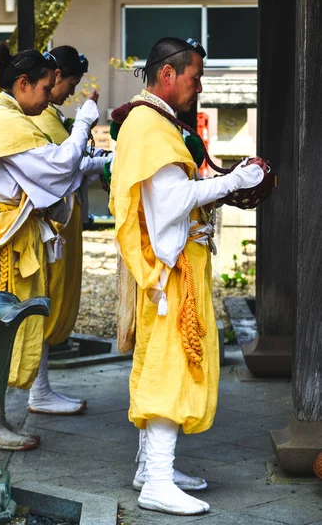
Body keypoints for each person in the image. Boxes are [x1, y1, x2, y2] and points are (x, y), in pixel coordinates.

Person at [109, 37, 266, 516]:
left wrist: (218, 185)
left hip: (170, 269)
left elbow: (174, 194)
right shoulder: (150, 126)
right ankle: (156, 481)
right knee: (168, 370)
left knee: (160, 363)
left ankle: (150, 467)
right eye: (195, 76)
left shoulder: (150, 121)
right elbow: (171, 202)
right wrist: (235, 181)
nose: (199, 85)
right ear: (169, 74)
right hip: (169, 274)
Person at [0, 43, 109, 451]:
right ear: (22, 84)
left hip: (4, 242)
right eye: (45, 88)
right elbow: (59, 168)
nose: (48, 96)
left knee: (8, 328)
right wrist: (84, 123)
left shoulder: (5, 118)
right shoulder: (6, 124)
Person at [28, 46, 106, 415]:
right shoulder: (38, 119)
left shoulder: (50, 116)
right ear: (54, 77)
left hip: (60, 221)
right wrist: (84, 124)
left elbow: (71, 163)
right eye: (69, 83)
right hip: (48, 225)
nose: (70, 92)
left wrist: (100, 162)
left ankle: (40, 389)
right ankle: (37, 390)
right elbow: (61, 167)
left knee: (51, 298)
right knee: (44, 299)